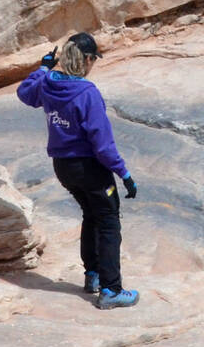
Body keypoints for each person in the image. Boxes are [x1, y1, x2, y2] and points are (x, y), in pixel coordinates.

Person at [17, 32, 141, 308]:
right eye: (93, 59)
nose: (93, 64)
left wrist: (44, 67)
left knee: (91, 214)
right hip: (90, 168)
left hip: (63, 167)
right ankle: (111, 291)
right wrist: (124, 174)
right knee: (109, 223)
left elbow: (25, 93)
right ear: (86, 59)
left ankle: (93, 275)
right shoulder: (87, 93)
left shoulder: (48, 83)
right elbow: (102, 144)